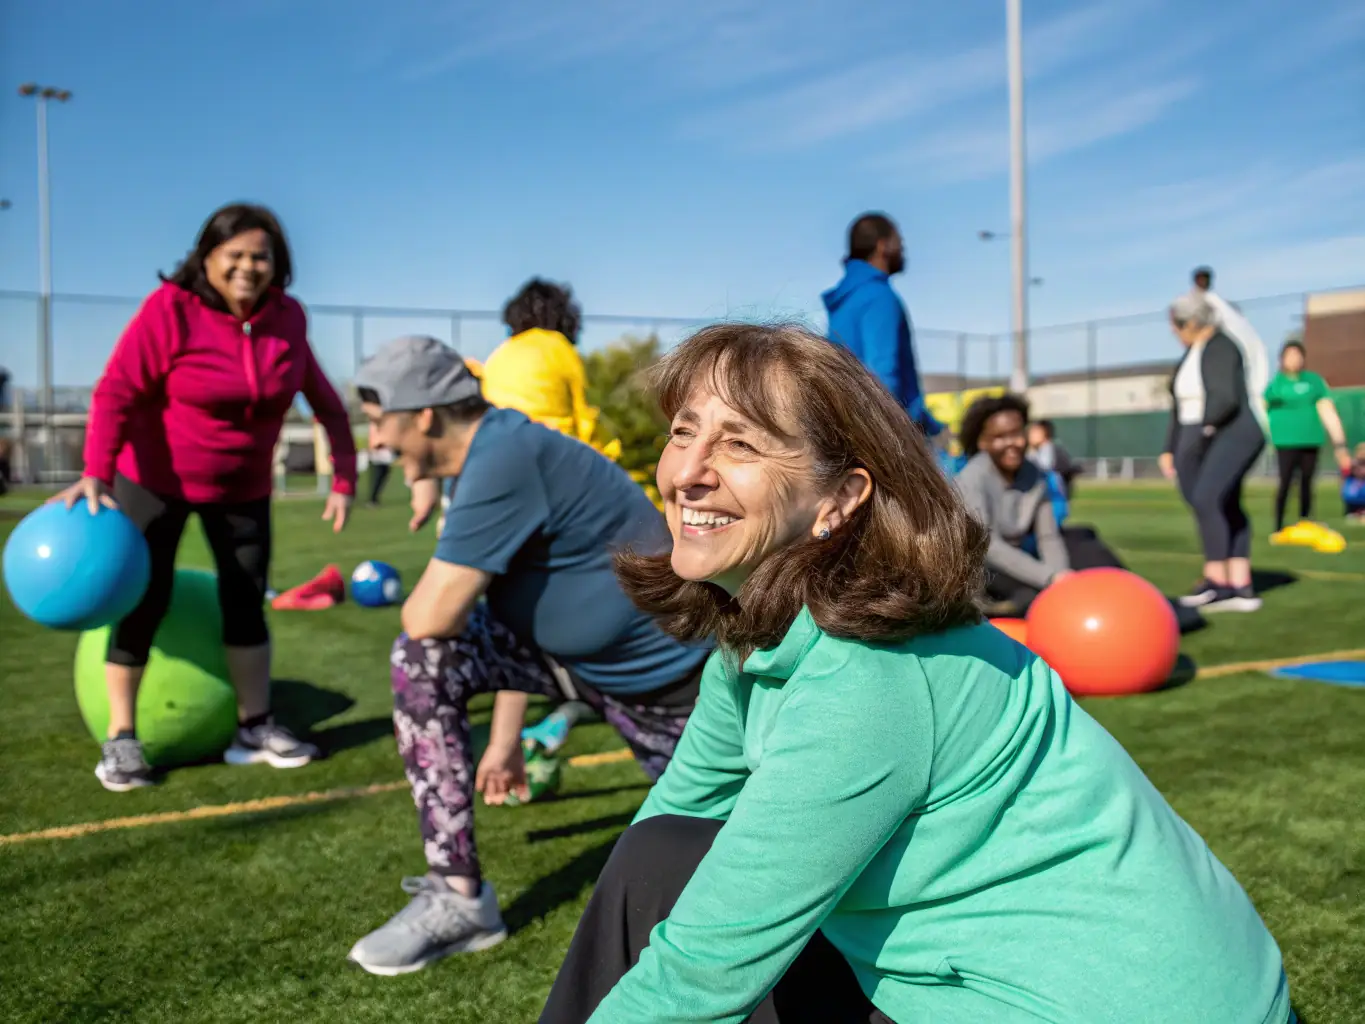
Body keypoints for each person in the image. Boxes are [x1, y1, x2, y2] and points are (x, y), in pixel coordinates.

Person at [539, 322, 1290, 1024]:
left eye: (739, 444)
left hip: (1096, 1004)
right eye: (683, 432)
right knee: (658, 854)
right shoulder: (756, 635)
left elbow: (703, 974)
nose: (689, 473)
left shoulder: (867, 679)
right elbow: (666, 835)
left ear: (839, 500)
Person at [346, 334, 710, 976]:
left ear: (424, 416)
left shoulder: (503, 457)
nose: (377, 440)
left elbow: (431, 611)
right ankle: (459, 898)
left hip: (669, 690)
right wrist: (505, 737)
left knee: (726, 871)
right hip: (579, 667)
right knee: (425, 660)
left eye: (380, 422)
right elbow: (525, 608)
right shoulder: (491, 453)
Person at [55, 203, 357, 792]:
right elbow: (116, 390)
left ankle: (255, 726)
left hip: (242, 489)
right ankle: (121, 739)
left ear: (279, 264)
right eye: (235, 255)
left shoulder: (288, 318)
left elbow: (324, 400)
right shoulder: (171, 309)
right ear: (207, 258)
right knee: (143, 602)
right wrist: (96, 472)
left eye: (261, 256)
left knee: (246, 604)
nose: (248, 267)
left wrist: (344, 477)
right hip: (153, 481)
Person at [956, 394, 1120, 614]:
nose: (1012, 443)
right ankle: (993, 608)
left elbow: (1048, 536)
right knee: (1026, 594)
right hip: (981, 567)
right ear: (982, 442)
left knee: (1087, 541)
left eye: (1017, 433)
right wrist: (1049, 577)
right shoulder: (971, 478)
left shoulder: (1036, 476)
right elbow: (988, 547)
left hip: (1020, 557)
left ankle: (1132, 599)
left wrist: (1061, 577)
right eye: (1000, 436)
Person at [1159, 290, 1268, 613]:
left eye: (1175, 325)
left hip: (1230, 434)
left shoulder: (1221, 346)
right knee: (1222, 502)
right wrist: (1170, 448)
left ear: (1192, 322)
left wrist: (1202, 435)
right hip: (1198, 434)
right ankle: (1239, 585)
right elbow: (1179, 406)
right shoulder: (1193, 352)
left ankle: (1219, 584)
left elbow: (1225, 398)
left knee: (1209, 499)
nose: (1173, 332)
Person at [822, 213, 942, 437]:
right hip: (887, 435)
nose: (903, 250)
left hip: (852, 426)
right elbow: (884, 375)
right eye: (900, 243)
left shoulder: (847, 299)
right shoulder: (880, 297)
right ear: (883, 246)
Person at [480, 278, 600, 445]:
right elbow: (587, 419)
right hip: (550, 450)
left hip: (495, 449)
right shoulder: (561, 348)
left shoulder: (497, 355)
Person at [1264, 340, 1353, 534]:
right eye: (1289, 355)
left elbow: (1327, 410)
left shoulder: (1313, 381)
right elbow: (1263, 408)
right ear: (1282, 359)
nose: (1294, 359)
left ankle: (1306, 522)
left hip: (1310, 440)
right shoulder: (1276, 384)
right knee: (1285, 482)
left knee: (1307, 482)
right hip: (1285, 442)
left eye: (1297, 355)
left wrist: (1340, 442)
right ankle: (1278, 526)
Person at [1026, 418, 1078, 498]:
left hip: (1054, 500)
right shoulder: (1032, 452)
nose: (1030, 435)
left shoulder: (1055, 452)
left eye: (1034, 432)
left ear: (1044, 432)